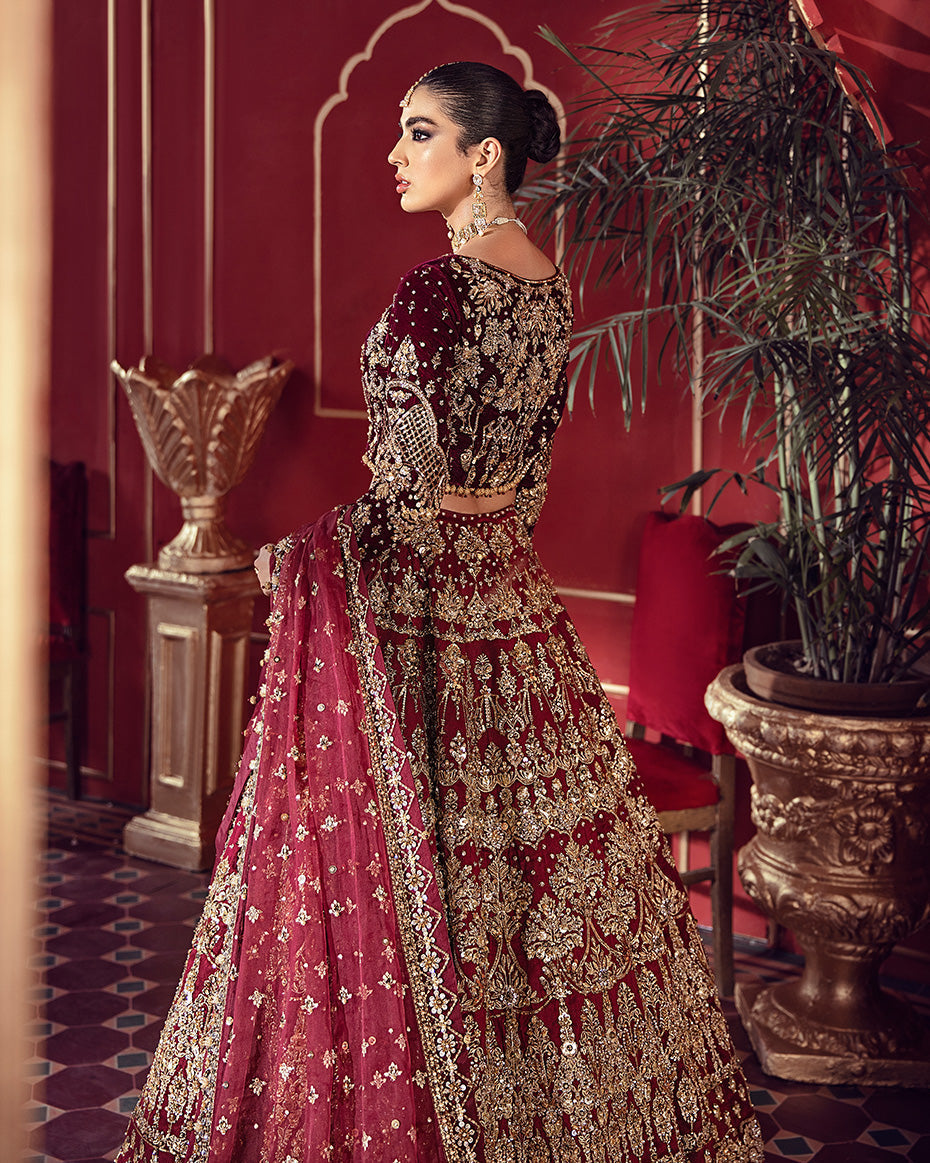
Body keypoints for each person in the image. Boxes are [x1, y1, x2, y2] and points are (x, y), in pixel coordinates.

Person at [117, 62, 763, 1162]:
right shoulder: (545, 283)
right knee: (518, 894)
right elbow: (526, 484)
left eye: (420, 133)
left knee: (416, 881)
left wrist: (289, 559)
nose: (396, 154)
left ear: (485, 156)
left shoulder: (437, 290)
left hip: (419, 620)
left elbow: (406, 503)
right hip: (512, 607)